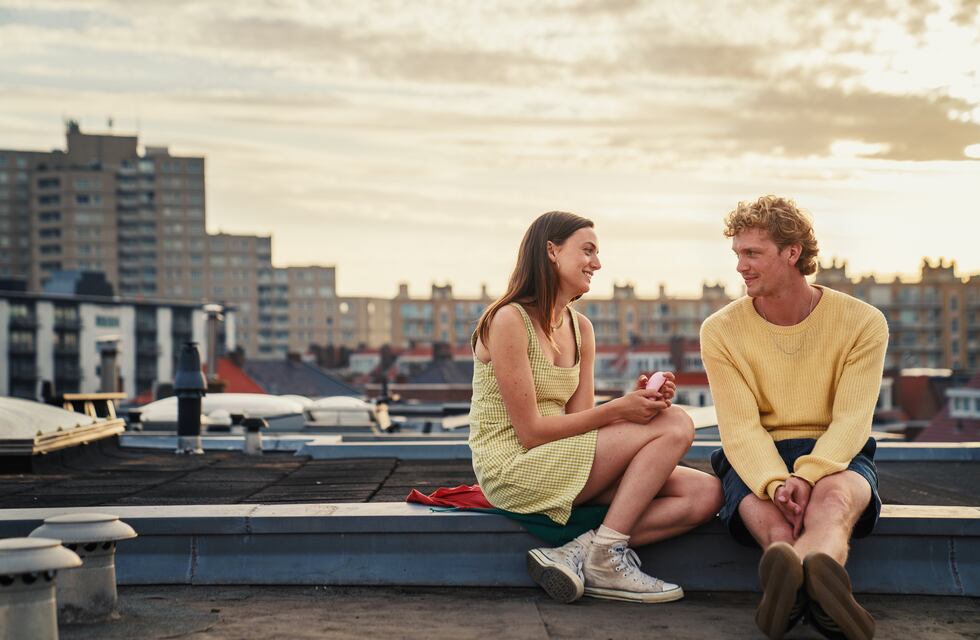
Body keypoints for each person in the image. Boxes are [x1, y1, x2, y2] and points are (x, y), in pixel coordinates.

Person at [469, 211, 722, 604]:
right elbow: (530, 432)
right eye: (587, 251)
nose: (597, 263)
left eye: (597, 253)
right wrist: (621, 411)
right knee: (675, 423)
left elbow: (581, 424)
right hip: (514, 469)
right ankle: (607, 558)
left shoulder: (580, 328)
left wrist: (640, 406)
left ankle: (580, 551)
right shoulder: (508, 320)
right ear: (551, 251)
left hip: (563, 460)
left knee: (705, 494)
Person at [700, 196, 888, 640]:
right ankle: (817, 592)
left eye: (753, 253)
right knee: (773, 519)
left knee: (834, 504)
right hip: (756, 456)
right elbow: (740, 428)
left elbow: (852, 421)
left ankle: (789, 590)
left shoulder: (862, 322)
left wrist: (809, 474)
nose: (741, 266)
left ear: (792, 253)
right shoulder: (721, 330)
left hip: (836, 452)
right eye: (738, 254)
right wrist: (775, 480)